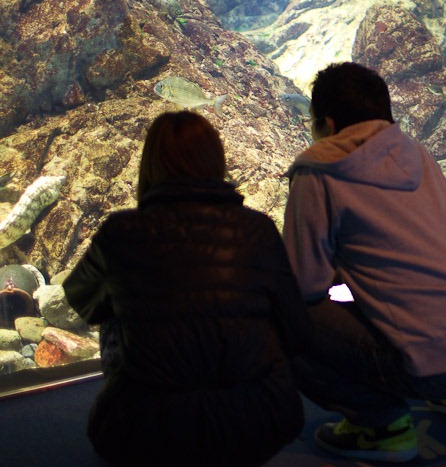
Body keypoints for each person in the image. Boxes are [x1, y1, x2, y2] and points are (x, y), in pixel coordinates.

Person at [283, 62, 446, 464]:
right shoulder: (417, 152)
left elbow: (304, 283)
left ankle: (382, 427)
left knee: (284, 315)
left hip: (437, 358)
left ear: (327, 123)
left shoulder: (318, 167)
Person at [64, 111, 310, 467]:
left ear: (149, 165)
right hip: (255, 421)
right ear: (216, 161)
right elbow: (297, 331)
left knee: (114, 310)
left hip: (144, 429)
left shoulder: (120, 232)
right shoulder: (258, 230)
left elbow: (81, 300)